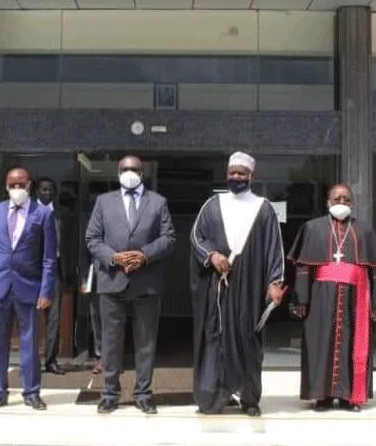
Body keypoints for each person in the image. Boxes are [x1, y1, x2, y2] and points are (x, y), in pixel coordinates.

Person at [189, 151, 285, 417]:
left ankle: (249, 399)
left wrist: (275, 282)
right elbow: (196, 236)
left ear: (251, 176)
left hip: (250, 288)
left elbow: (273, 249)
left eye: (241, 173)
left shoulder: (263, 207)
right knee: (214, 341)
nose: (236, 177)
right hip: (217, 289)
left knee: (247, 342)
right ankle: (212, 398)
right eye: (232, 172)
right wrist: (212, 255)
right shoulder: (212, 204)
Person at [86, 155, 176, 415]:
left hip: (146, 283)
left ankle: (143, 394)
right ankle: (110, 394)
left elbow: (169, 238)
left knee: (146, 342)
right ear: (118, 172)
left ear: (143, 172)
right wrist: (114, 257)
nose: (130, 172)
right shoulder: (103, 202)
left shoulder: (158, 202)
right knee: (111, 342)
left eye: (134, 169)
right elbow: (92, 238)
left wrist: (144, 255)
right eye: (125, 169)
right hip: (112, 280)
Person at [287, 184, 376, 412]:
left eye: (346, 198)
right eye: (336, 197)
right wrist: (301, 299)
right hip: (321, 296)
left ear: (351, 203)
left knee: (351, 343)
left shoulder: (364, 230)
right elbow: (302, 267)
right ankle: (320, 396)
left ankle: (348, 396)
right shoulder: (312, 228)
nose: (341, 201)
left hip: (356, 296)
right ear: (328, 202)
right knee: (320, 343)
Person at [0, 167, 57, 411]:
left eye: (21, 183)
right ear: (6, 186)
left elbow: (49, 258)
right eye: (13, 184)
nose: (17, 188)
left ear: (29, 185)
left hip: (28, 287)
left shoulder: (43, 214)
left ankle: (31, 392)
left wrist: (45, 291)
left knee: (30, 342)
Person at [35, 177, 67, 375]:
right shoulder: (28, 212)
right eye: (43, 190)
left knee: (54, 318)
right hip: (32, 271)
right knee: (30, 317)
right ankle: (31, 362)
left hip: (55, 270)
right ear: (36, 191)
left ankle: (51, 360)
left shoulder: (62, 214)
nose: (47, 193)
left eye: (51, 190)